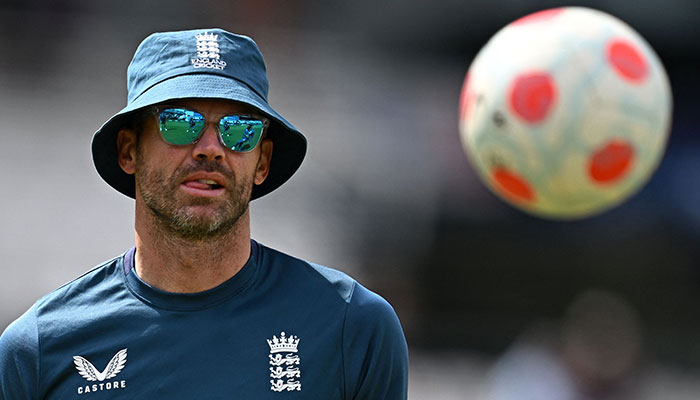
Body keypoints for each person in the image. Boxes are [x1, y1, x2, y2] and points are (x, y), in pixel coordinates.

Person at [0, 28, 409, 399]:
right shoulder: (37, 350)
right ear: (129, 150)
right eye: (180, 122)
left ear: (262, 161)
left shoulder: (352, 325)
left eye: (239, 129)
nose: (211, 148)